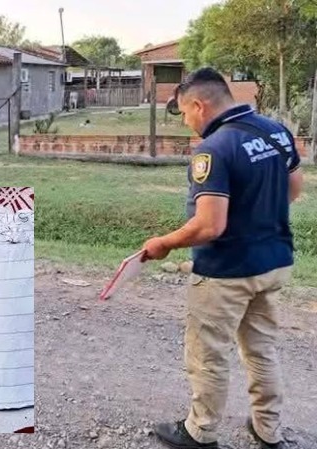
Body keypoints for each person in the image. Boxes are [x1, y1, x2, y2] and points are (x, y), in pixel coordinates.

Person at [141, 67, 304, 449]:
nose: (186, 121)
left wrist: (163, 243)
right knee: (260, 349)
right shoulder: (276, 131)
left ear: (199, 104)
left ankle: (200, 432)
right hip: (273, 261)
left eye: (184, 113)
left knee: (208, 353)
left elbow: (210, 225)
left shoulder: (214, 149)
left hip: (226, 272)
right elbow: (293, 189)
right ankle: (268, 430)